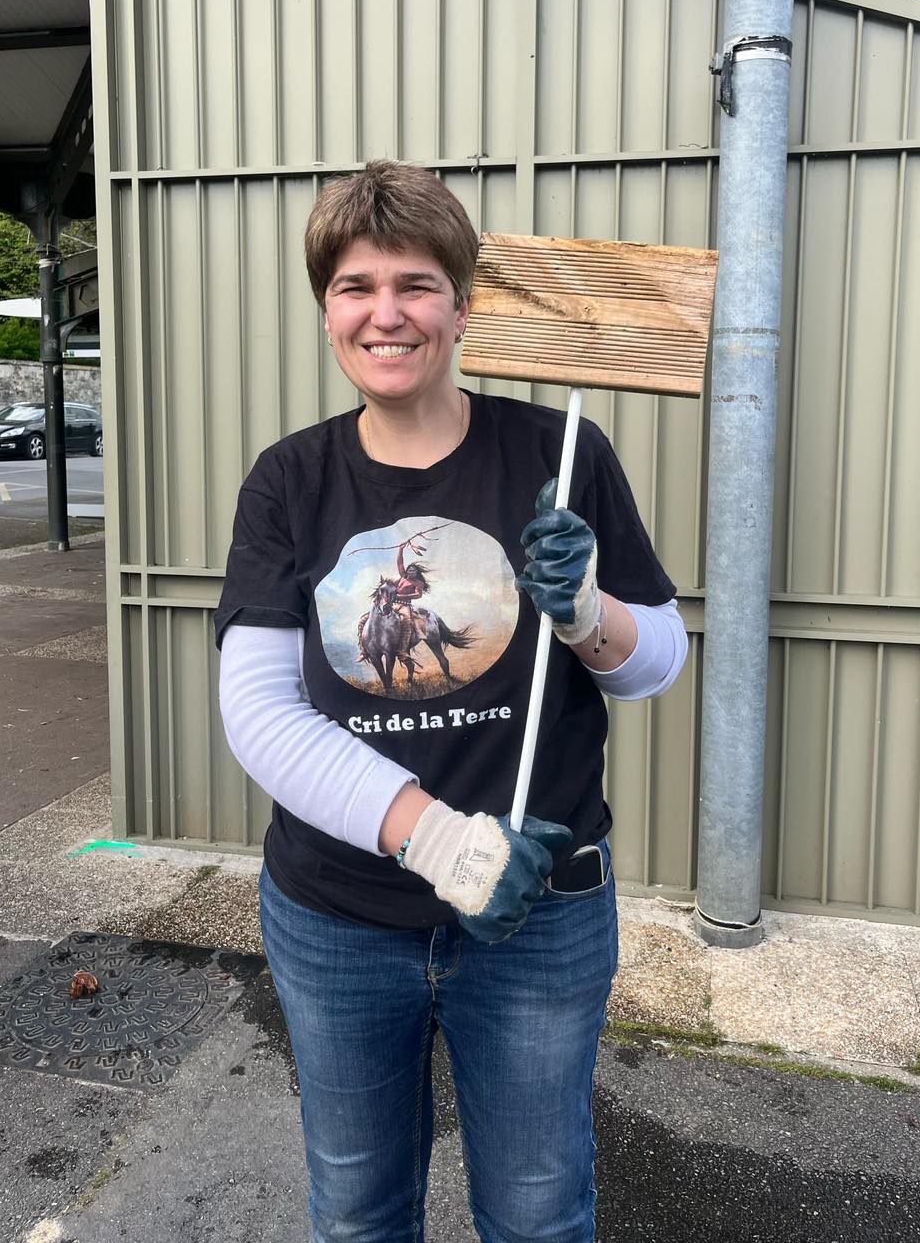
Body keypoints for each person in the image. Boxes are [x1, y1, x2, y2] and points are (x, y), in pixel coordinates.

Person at [215, 160, 688, 1243]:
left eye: (416, 285)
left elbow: (656, 661)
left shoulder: (560, 451)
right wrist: (444, 843)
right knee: (358, 1214)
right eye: (356, 286)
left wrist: (587, 612)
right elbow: (260, 714)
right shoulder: (289, 480)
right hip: (339, 919)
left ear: (462, 306)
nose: (386, 313)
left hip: (541, 917)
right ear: (327, 310)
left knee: (537, 1215)